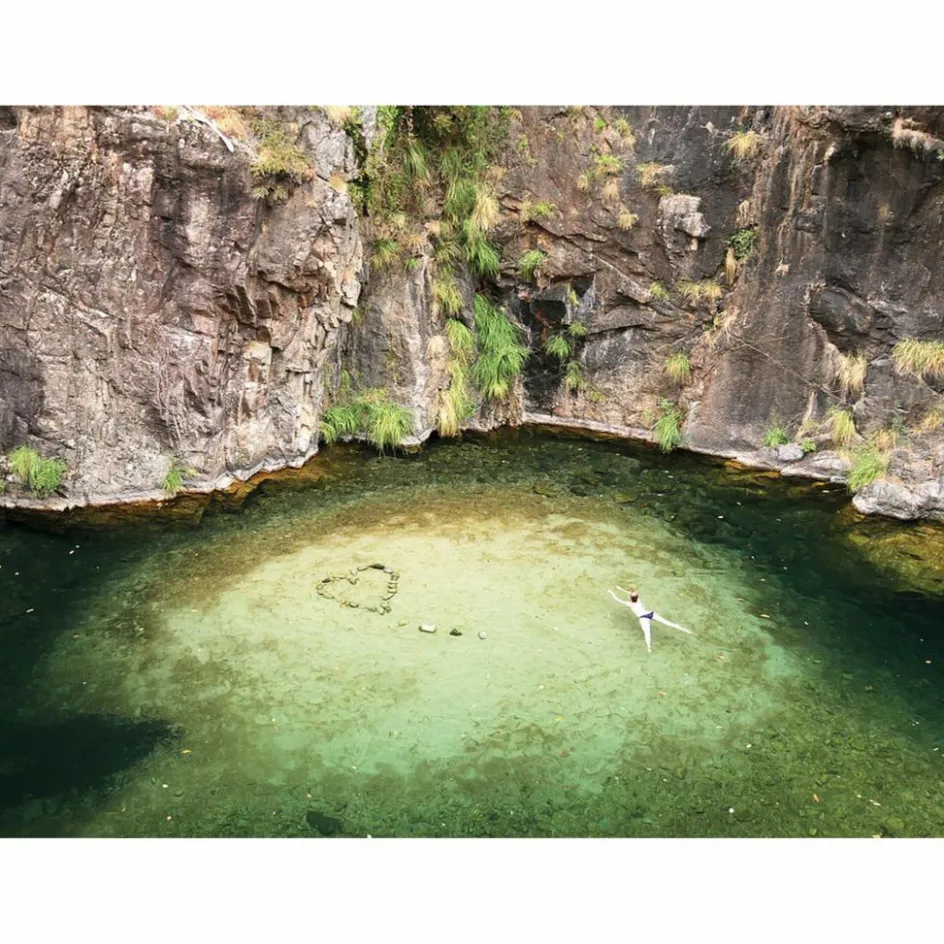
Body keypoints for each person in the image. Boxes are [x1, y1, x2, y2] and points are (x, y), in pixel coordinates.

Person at [608, 585, 693, 653]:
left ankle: (649, 648)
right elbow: (630, 593)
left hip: (643, 618)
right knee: (668, 623)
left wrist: (612, 593)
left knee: (647, 634)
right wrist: (620, 589)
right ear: (637, 597)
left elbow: (617, 599)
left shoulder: (630, 604)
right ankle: (687, 631)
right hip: (650, 613)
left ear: (630, 598)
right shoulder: (638, 600)